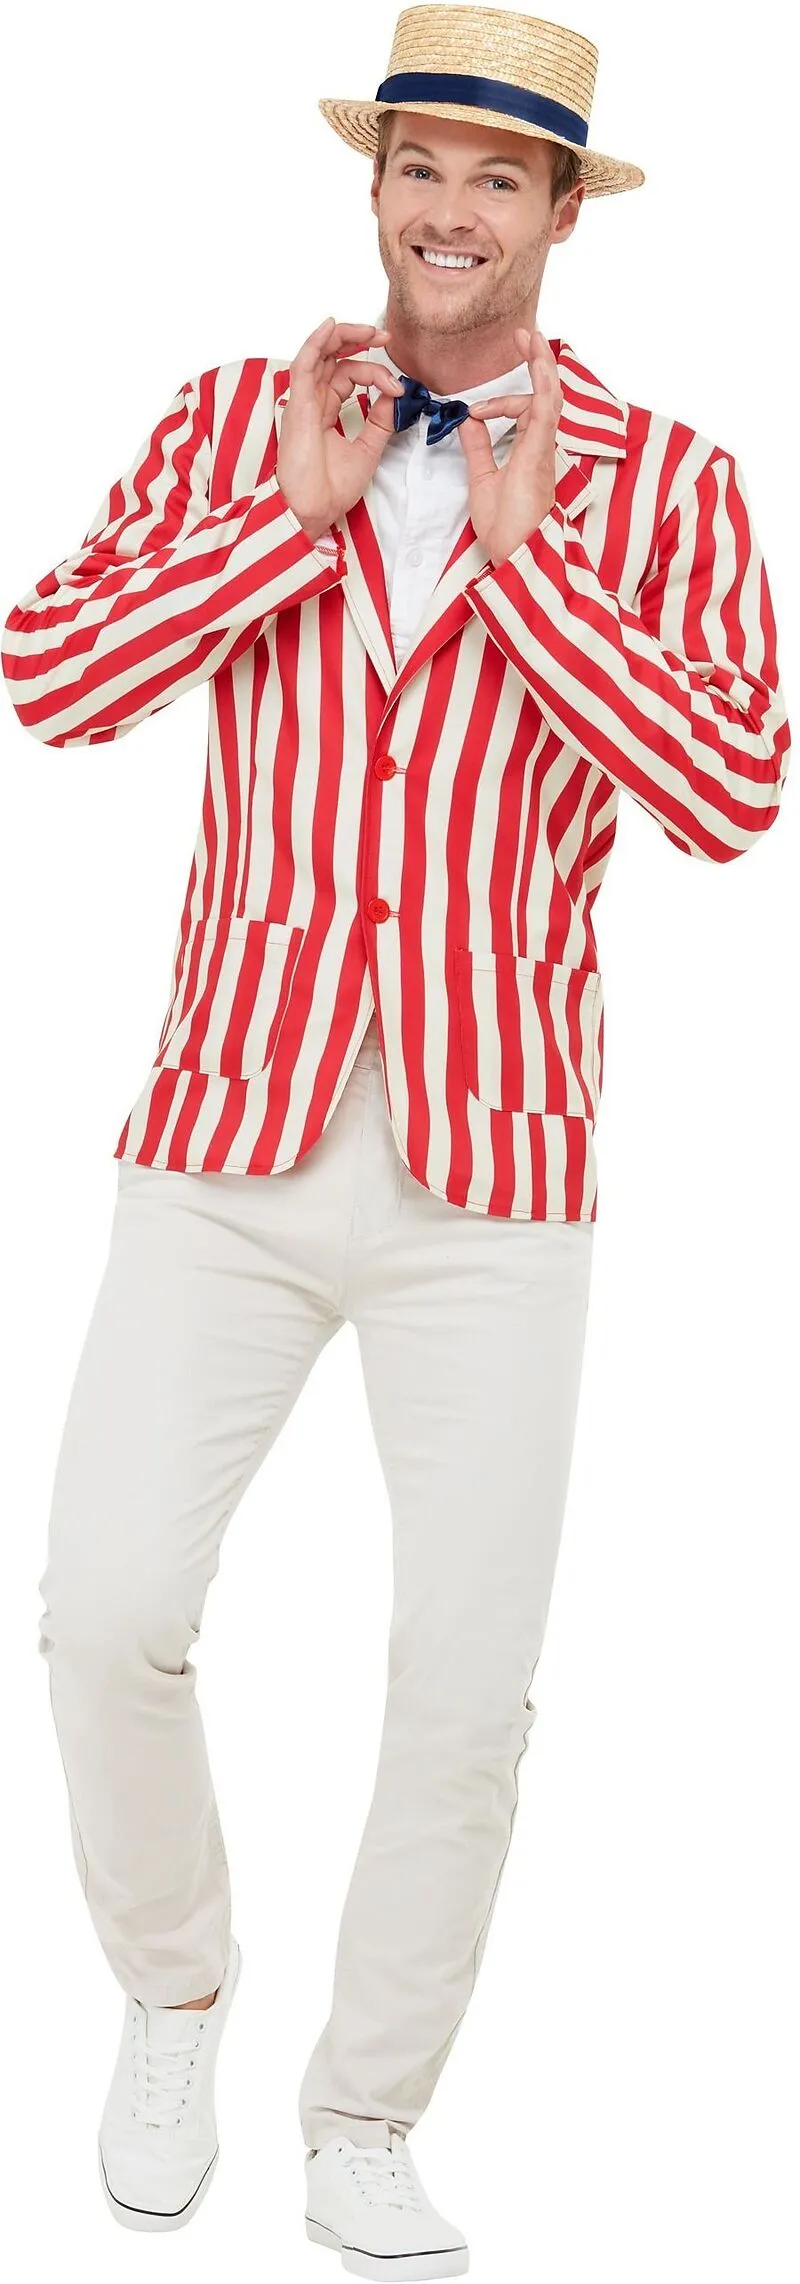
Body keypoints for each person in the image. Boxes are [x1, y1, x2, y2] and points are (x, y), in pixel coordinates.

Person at [1, 4, 790, 2274]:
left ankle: (365, 2107)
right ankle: (175, 1989)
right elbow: (54, 680)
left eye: (496, 177)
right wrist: (292, 521)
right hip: (225, 1130)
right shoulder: (231, 424)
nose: (451, 210)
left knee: (460, 1687)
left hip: (494, 1166)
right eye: (419, 165)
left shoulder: (674, 483)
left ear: (560, 217)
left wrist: (527, 568)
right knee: (106, 1608)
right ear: (373, 189)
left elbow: (731, 795)